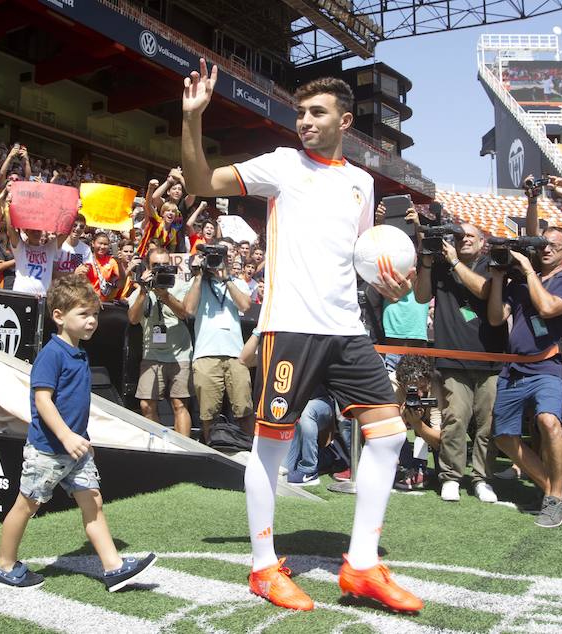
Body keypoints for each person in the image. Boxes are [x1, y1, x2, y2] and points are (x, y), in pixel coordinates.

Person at [182, 60, 421, 613]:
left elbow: (363, 259)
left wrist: (389, 282)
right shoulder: (282, 165)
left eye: (317, 112)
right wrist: (193, 120)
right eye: (300, 113)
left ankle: (361, 565)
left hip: (347, 330)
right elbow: (200, 182)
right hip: (290, 328)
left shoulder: (363, 183)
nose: (305, 122)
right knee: (271, 447)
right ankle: (265, 568)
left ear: (345, 118)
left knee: (387, 436)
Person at [0, 275, 156, 589]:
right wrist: (66, 436)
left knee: (93, 502)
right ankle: (4, 564)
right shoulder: (52, 355)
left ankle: (114, 567)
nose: (92, 320)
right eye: (84, 314)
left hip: (76, 451)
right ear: (59, 317)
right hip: (48, 451)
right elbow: (43, 401)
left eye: (94, 314)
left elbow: (74, 404)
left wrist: (80, 438)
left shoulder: (79, 354)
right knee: (26, 505)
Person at [487, 228, 562, 528]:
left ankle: (554, 497)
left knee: (548, 421)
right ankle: (552, 492)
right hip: (514, 370)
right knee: (503, 437)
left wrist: (528, 270)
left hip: (548, 367)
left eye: (553, 246)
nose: (545, 251)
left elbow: (547, 307)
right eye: (541, 245)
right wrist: (501, 277)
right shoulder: (520, 283)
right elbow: (494, 318)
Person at [414, 223, 505, 504]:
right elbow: (420, 296)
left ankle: (482, 478)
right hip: (453, 357)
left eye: (470, 236)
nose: (464, 240)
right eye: (459, 236)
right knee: (455, 418)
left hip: (490, 357)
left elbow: (484, 291)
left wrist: (453, 260)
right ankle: (451, 476)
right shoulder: (440, 264)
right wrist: (427, 264)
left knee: (487, 424)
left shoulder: (492, 264)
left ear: (482, 242)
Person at [183, 246, 254, 443]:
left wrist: (227, 279)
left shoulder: (237, 282)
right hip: (206, 354)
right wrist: (198, 275)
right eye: (212, 259)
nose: (215, 262)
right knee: (208, 413)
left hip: (235, 355)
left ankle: (249, 452)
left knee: (244, 409)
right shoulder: (198, 283)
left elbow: (246, 306)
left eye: (219, 258)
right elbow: (188, 309)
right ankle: (212, 450)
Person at [127, 247, 193, 437]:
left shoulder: (180, 285)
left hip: (180, 354)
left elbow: (184, 313)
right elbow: (133, 318)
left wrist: (165, 294)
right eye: (156, 265)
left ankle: (184, 451)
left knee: (180, 403)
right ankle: (159, 446)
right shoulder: (141, 288)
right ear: (148, 266)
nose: (161, 269)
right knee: (146, 404)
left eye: (165, 265)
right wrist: (143, 291)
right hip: (152, 355)